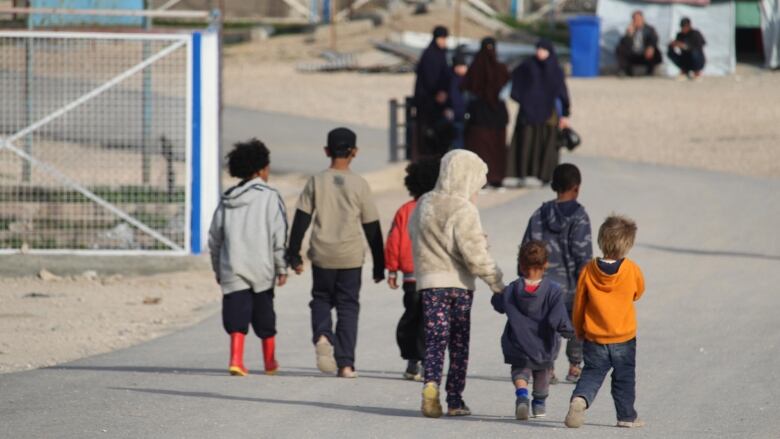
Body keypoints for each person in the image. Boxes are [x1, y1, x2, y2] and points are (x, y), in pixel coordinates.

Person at [409, 149, 505, 418]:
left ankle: (430, 385)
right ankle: (454, 399)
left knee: (434, 340)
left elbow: (412, 234)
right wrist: (497, 284)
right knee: (458, 343)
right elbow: (475, 256)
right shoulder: (464, 209)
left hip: (430, 283)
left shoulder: (424, 203)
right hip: (460, 286)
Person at [286, 127, 385, 379]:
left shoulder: (316, 181)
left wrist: (294, 254)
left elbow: (301, 219)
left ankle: (322, 334)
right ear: (355, 152)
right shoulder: (359, 184)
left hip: (322, 254)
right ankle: (346, 364)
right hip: (350, 256)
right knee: (348, 307)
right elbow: (371, 226)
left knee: (321, 299)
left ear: (326, 151)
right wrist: (379, 264)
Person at [208, 139, 288, 377]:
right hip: (262, 267)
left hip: (232, 265)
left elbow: (215, 238)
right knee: (265, 314)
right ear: (261, 169)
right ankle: (270, 360)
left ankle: (236, 358)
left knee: (235, 314)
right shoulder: (270, 196)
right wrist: (282, 266)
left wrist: (217, 268)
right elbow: (279, 234)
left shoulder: (227, 199)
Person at [565, 215, 646, 429]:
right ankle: (626, 416)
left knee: (592, 373)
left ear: (601, 240)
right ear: (628, 244)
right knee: (624, 378)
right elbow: (638, 292)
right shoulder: (631, 269)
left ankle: (580, 399)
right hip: (624, 337)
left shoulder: (588, 271)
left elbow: (579, 304)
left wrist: (579, 329)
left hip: (595, 337)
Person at [522, 163, 592, 384]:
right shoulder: (579, 216)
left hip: (543, 286)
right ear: (576, 188)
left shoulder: (539, 214)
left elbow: (527, 249)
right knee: (576, 326)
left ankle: (547, 367)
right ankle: (574, 367)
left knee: (547, 327)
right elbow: (583, 253)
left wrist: (525, 278)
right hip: (572, 286)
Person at [491, 240, 574, 420]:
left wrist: (498, 292)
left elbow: (498, 305)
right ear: (546, 264)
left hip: (517, 343)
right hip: (543, 345)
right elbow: (557, 317)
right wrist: (568, 330)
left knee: (519, 372)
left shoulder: (512, 289)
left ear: (521, 265)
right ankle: (539, 404)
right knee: (542, 376)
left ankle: (521, 395)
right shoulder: (553, 290)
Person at [385, 158, 441, 381]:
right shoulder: (438, 209)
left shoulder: (405, 210)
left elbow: (394, 241)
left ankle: (412, 360)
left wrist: (391, 269)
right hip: (434, 275)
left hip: (410, 277)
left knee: (412, 317)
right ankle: (428, 361)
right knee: (431, 321)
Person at [508, 39, 571, 185]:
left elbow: (562, 92)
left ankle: (546, 176)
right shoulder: (528, 65)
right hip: (528, 111)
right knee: (526, 141)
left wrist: (565, 114)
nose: (539, 52)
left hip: (549, 112)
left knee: (547, 143)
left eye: (543, 50)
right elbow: (515, 80)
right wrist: (522, 98)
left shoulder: (555, 69)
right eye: (538, 49)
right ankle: (522, 174)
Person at [463, 37, 510, 188]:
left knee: (482, 148)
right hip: (494, 116)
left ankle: (486, 179)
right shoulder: (500, 68)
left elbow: (466, 89)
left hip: (480, 115)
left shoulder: (475, 69)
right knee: (492, 149)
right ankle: (495, 178)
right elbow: (506, 90)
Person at [414, 26, 452, 159]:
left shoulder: (439, 53)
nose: (444, 42)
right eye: (442, 38)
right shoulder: (430, 54)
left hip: (435, 98)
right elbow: (430, 78)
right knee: (428, 131)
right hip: (428, 99)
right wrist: (438, 92)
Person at [616, 11, 662, 76]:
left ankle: (650, 71)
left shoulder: (649, 29)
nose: (637, 21)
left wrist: (651, 47)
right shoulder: (630, 29)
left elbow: (654, 39)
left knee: (655, 51)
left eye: (638, 19)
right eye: (635, 19)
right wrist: (629, 35)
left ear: (643, 19)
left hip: (644, 54)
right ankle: (625, 71)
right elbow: (623, 44)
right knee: (620, 49)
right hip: (633, 54)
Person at [447, 53, 468, 150]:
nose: (465, 68)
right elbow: (454, 99)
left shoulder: (462, 79)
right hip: (458, 115)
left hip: (462, 114)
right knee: (458, 141)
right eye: (462, 66)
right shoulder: (454, 80)